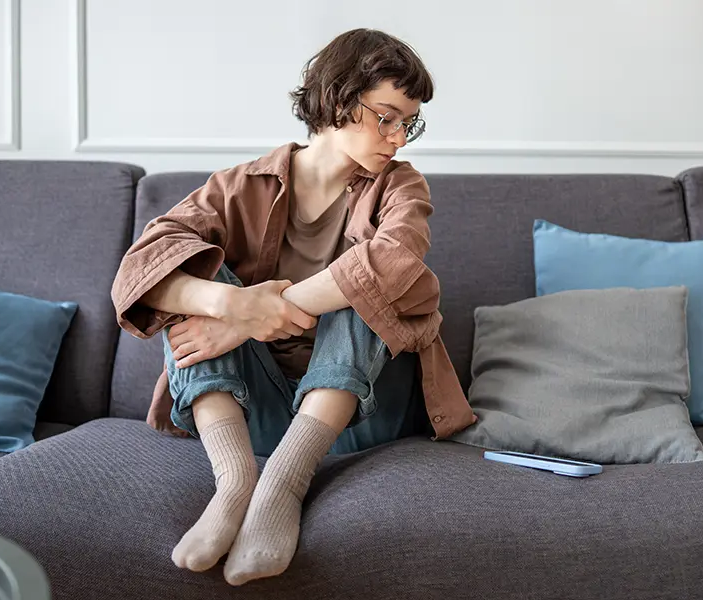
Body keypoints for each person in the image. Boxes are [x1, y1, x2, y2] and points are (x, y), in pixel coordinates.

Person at [110, 28, 476, 586]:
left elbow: (395, 263)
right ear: (337, 98)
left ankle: (282, 483)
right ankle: (235, 483)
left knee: (366, 279)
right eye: (387, 117)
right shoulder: (238, 186)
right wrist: (231, 303)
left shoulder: (401, 187)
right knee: (194, 269)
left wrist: (251, 319)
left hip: (357, 415)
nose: (399, 138)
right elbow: (138, 271)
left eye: (410, 123)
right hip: (252, 413)